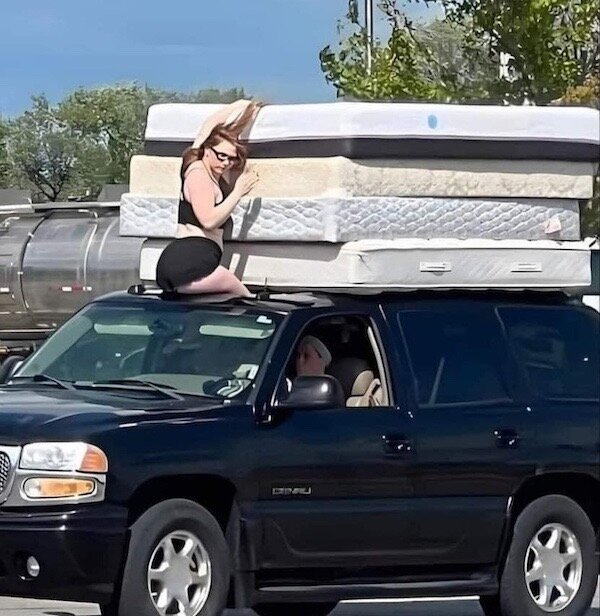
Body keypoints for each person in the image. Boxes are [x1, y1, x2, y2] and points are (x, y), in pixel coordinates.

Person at [156, 100, 261, 296]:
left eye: (231, 158)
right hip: (192, 258)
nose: (226, 163)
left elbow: (209, 124)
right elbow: (208, 220)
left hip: (183, 259)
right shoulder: (199, 175)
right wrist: (238, 191)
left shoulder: (197, 163)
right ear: (206, 150)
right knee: (242, 294)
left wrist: (242, 106)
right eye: (221, 156)